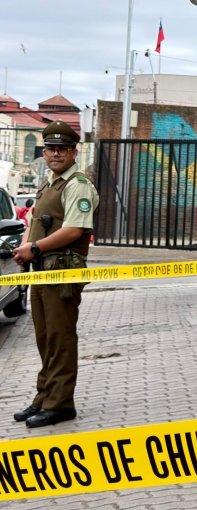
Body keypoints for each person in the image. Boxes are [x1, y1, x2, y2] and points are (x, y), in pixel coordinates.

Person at [11, 120, 99, 428]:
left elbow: (74, 229)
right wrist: (26, 247)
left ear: (74, 152)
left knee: (61, 338)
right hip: (42, 272)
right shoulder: (49, 183)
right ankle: (44, 396)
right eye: (51, 149)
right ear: (44, 153)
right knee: (45, 337)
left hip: (61, 272)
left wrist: (33, 249)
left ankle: (60, 404)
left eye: (62, 149)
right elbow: (34, 222)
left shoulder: (78, 185)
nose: (56, 154)